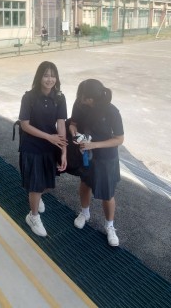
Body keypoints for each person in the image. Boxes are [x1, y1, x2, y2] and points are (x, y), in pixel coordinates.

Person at [68, 79, 124, 247]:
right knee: (85, 183)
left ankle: (110, 226)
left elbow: (119, 139)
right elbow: (73, 123)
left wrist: (94, 145)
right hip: (86, 154)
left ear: (93, 98)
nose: (81, 100)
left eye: (84, 97)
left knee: (107, 193)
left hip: (106, 157)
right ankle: (85, 213)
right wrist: (75, 134)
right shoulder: (79, 104)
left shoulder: (111, 111)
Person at [18, 61, 67, 237]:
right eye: (46, 75)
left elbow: (61, 124)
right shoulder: (29, 97)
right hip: (32, 146)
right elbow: (25, 125)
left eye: (53, 76)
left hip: (50, 146)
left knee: (46, 183)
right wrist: (48, 137)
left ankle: (36, 197)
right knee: (36, 185)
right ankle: (33, 216)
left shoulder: (60, 97)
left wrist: (64, 151)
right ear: (39, 77)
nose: (49, 79)